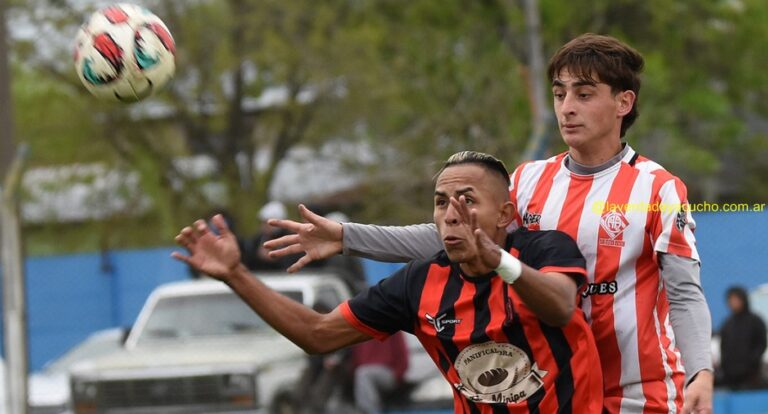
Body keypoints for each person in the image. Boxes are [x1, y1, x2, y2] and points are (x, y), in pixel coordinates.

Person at [263, 34, 713, 414]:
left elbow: (684, 292)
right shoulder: (528, 179)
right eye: (559, 94)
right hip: (563, 393)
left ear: (623, 103)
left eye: (584, 93)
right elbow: (452, 237)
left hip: (641, 393)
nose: (567, 108)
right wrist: (346, 237)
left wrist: (701, 372)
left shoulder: (657, 189)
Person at [173, 151, 603, 413]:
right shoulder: (419, 284)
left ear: (505, 216)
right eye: (440, 203)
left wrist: (499, 261)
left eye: (467, 201)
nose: (451, 213)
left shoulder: (545, 250)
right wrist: (235, 274)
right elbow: (316, 334)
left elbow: (560, 306)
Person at [717, 286, 767, 390]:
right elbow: (723, 347)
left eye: (736, 299)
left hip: (752, 377)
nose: (733, 303)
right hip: (731, 378)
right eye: (730, 300)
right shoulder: (727, 324)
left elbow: (761, 344)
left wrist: (752, 361)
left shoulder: (756, 321)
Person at [350, 331, 408, 413]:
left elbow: (403, 355)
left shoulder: (392, 327)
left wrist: (397, 375)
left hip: (389, 373)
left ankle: (371, 411)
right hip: (365, 376)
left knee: (363, 373)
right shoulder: (360, 331)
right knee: (362, 374)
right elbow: (356, 360)